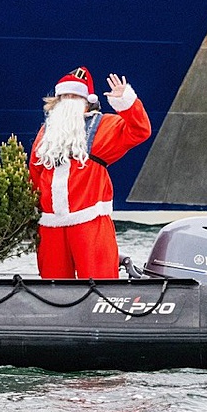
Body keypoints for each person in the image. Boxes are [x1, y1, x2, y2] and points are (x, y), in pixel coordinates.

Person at [28, 67, 151, 279]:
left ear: (88, 101)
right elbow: (35, 171)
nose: (69, 101)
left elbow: (139, 130)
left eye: (75, 96)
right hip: (51, 224)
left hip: (89, 220)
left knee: (100, 280)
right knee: (52, 284)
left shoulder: (104, 125)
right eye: (64, 96)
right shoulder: (47, 132)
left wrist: (125, 103)